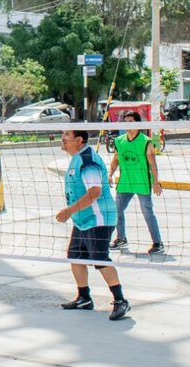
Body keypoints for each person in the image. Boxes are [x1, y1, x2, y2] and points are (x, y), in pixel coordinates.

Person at [55, 129, 130, 321]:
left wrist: (69, 211)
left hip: (99, 218)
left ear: (79, 140)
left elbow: (94, 192)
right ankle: (84, 297)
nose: (63, 138)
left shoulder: (89, 161)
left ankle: (121, 300)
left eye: (67, 135)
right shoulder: (76, 158)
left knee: (100, 259)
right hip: (83, 219)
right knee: (75, 256)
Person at [108, 112, 165, 255]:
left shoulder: (145, 141)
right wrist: (110, 174)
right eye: (125, 121)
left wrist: (156, 182)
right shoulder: (120, 141)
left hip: (142, 183)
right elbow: (116, 159)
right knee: (116, 210)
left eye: (131, 122)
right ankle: (121, 239)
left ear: (138, 124)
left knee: (147, 213)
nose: (128, 125)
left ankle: (158, 243)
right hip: (125, 183)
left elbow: (152, 163)